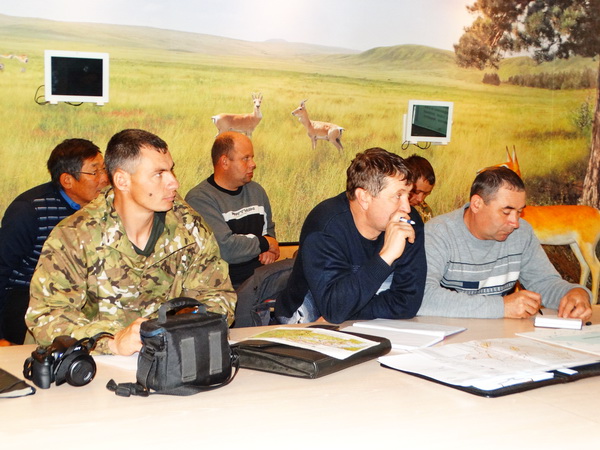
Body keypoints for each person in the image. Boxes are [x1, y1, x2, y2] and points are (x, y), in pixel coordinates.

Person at [26, 129, 236, 355]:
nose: (174, 182)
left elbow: (219, 296)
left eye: (171, 170)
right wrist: (110, 341)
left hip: (167, 359)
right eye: (159, 174)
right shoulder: (74, 235)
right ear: (122, 180)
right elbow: (46, 316)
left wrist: (179, 329)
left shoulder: (188, 226)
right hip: (92, 362)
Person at [276, 147, 426, 324]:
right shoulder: (325, 225)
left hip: (363, 321)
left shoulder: (407, 222)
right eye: (398, 196)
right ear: (364, 197)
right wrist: (386, 257)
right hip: (305, 322)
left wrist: (349, 311)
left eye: (408, 195)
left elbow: (407, 302)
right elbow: (334, 307)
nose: (407, 207)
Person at [419, 166, 592, 320]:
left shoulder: (521, 233)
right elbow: (421, 296)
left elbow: (544, 283)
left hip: (501, 338)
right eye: (506, 212)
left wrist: (575, 293)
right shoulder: (438, 233)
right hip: (448, 339)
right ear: (477, 204)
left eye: (519, 212)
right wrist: (502, 307)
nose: (515, 222)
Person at [0, 138, 108, 344]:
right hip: (30, 296)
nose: (104, 178)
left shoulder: (107, 205)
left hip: (87, 295)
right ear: (67, 180)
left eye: (104, 169)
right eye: (95, 172)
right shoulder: (29, 210)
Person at [185, 131, 279, 288]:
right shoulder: (200, 199)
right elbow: (226, 248)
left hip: (260, 280)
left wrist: (269, 248)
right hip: (222, 288)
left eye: (252, 157)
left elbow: (268, 231)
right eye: (245, 158)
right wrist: (265, 243)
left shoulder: (256, 191)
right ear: (224, 162)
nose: (253, 164)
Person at [404, 154, 435, 223]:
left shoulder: (425, 211)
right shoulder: (389, 208)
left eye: (426, 194)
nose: (420, 199)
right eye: (416, 192)